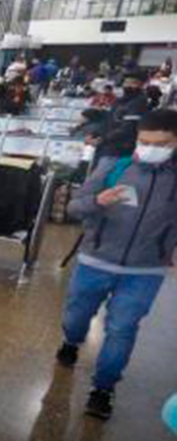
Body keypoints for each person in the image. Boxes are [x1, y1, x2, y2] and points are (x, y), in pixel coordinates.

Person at [56, 108, 177, 421]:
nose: (150, 149)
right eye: (144, 142)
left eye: (161, 144)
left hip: (145, 270)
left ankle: (103, 388)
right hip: (95, 260)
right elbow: (74, 206)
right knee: (76, 316)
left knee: (122, 329)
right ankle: (71, 340)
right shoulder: (114, 166)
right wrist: (98, 201)